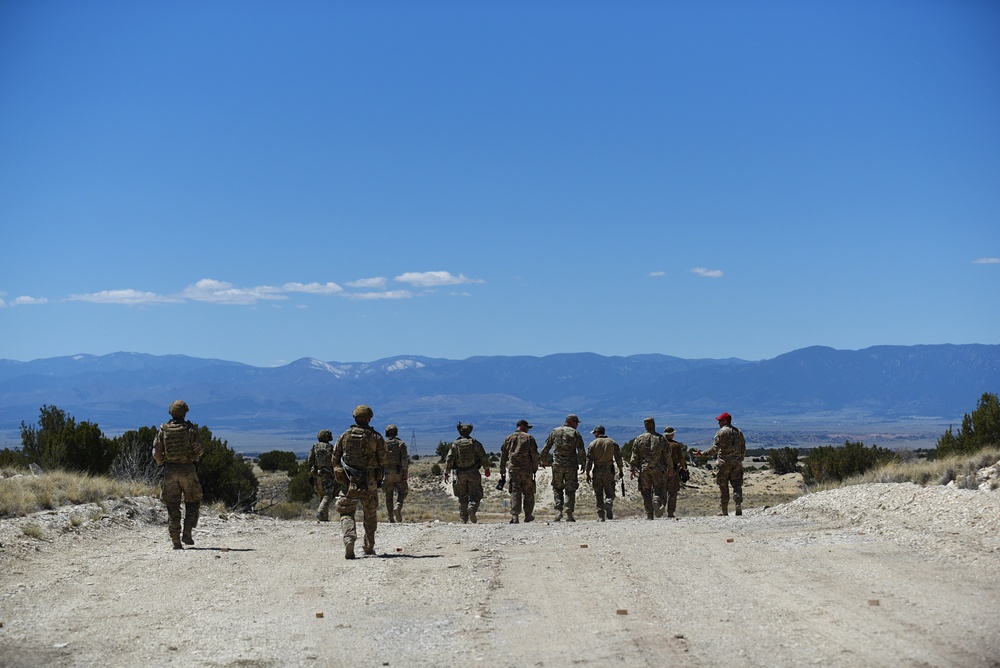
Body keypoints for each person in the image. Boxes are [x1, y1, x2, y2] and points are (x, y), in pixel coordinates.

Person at [332, 405, 387, 559]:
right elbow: (383, 459)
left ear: (354, 417)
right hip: (369, 482)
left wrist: (340, 473)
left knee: (347, 512)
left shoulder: (345, 436)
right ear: (369, 418)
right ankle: (369, 546)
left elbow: (335, 458)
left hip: (349, 482)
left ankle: (349, 539)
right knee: (370, 514)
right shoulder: (375, 437)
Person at [152, 400, 204, 549]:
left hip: (170, 471)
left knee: (172, 505)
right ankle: (187, 533)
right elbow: (199, 449)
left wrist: (162, 463)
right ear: (185, 413)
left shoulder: (163, 429)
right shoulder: (189, 429)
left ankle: (175, 539)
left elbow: (156, 452)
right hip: (188, 469)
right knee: (193, 501)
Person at [540, 414, 586, 522]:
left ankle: (558, 511)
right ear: (572, 422)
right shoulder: (575, 433)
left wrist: (543, 459)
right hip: (571, 465)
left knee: (557, 488)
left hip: (557, 465)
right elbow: (581, 450)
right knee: (570, 489)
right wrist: (583, 463)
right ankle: (569, 513)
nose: (577, 425)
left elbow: (546, 447)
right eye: (576, 423)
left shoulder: (555, 432)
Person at [444, 422, 491, 523]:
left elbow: (449, 459)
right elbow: (483, 456)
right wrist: (487, 469)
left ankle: (463, 519)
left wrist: (446, 472)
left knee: (462, 496)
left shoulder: (455, 444)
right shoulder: (475, 443)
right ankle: (472, 508)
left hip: (460, 473)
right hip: (473, 472)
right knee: (475, 494)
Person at [628, 417, 672, 520]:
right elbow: (667, 455)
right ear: (654, 424)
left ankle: (649, 514)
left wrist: (632, 469)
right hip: (657, 469)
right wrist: (670, 467)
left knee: (646, 491)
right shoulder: (661, 439)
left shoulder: (639, 439)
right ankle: (656, 501)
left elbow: (634, 455)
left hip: (644, 469)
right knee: (658, 488)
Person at [704, 412, 747, 516]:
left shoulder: (721, 433)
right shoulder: (738, 432)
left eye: (720, 421)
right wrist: (740, 459)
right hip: (736, 462)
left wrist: (702, 454)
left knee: (723, 486)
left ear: (725, 421)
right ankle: (737, 501)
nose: (718, 423)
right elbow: (743, 447)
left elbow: (715, 448)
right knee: (737, 484)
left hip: (724, 463)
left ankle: (724, 510)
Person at [498, 419, 540, 524]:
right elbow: (534, 455)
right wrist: (535, 468)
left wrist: (502, 469)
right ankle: (528, 515)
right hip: (527, 469)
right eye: (527, 427)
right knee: (528, 492)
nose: (528, 430)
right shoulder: (529, 438)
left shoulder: (509, 438)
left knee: (515, 491)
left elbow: (503, 455)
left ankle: (515, 516)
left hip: (513, 469)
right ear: (521, 426)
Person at [585, 425, 624, 521]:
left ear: (597, 433)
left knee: (598, 493)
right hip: (609, 470)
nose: (594, 434)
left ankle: (601, 516)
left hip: (597, 470)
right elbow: (618, 457)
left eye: (594, 433)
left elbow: (589, 461)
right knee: (610, 491)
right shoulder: (612, 442)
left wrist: (587, 473)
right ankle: (609, 502)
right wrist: (620, 469)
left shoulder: (592, 444)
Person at [307, 429, 339, 522]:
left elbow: (310, 461)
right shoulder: (331, 447)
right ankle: (321, 512)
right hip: (328, 474)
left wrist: (310, 474)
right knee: (328, 495)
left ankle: (324, 518)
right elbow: (335, 461)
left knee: (321, 494)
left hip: (317, 474)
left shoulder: (315, 447)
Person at [382, 425, 409, 523]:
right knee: (402, 491)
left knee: (388, 495)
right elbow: (404, 459)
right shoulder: (401, 444)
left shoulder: (383, 444)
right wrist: (405, 472)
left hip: (387, 472)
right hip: (398, 472)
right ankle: (398, 506)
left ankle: (390, 518)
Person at [663, 426, 690, 518]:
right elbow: (681, 458)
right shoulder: (675, 445)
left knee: (660, 490)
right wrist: (683, 468)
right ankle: (670, 512)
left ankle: (660, 505)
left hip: (660, 471)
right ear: (671, 434)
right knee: (672, 491)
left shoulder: (659, 444)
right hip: (672, 471)